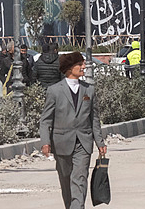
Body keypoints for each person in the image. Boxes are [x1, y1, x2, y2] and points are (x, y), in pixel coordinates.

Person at [39, 51, 107, 209]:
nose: (84, 67)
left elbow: (94, 118)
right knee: (66, 180)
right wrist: (45, 142)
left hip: (83, 142)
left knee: (80, 179)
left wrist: (100, 142)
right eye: (79, 64)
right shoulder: (54, 91)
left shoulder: (89, 90)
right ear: (70, 68)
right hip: (61, 143)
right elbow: (46, 119)